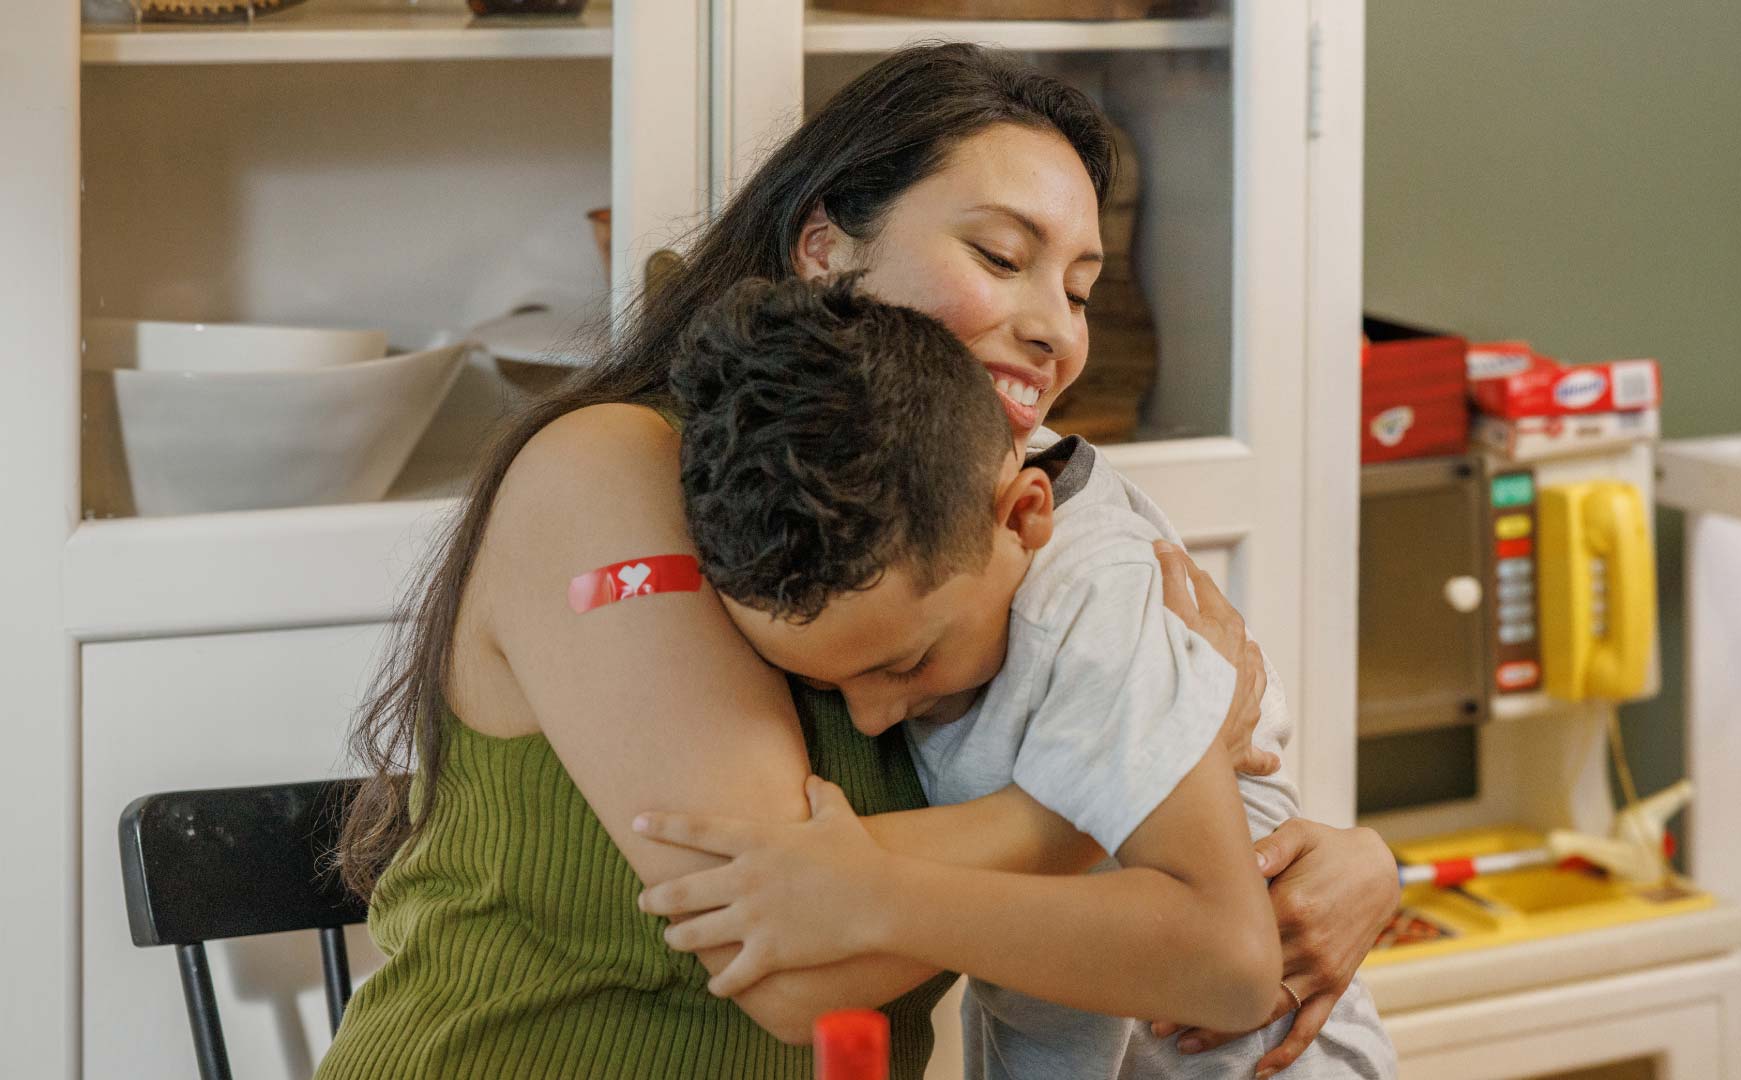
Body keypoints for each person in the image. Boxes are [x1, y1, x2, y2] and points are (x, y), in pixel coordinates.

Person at [318, 42, 1398, 1080]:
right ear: (824, 247)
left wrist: (1348, 859)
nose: (1055, 333)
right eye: (1000, 257)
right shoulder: (616, 473)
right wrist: (1134, 771)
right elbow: (801, 967)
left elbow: (1178, 882)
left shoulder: (1006, 519)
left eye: (1078, 289)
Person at [634, 274, 1394, 1079]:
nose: (869, 718)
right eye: (829, 687)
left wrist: (877, 897)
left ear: (1025, 516)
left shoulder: (1090, 599)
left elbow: (1233, 967)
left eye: (905, 664)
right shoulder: (917, 520)